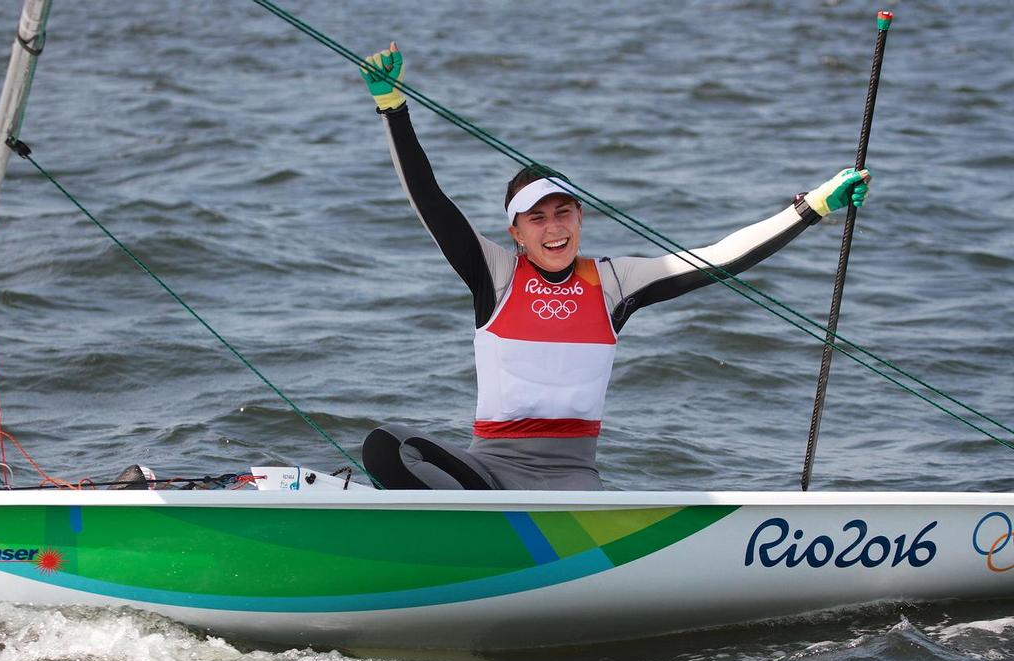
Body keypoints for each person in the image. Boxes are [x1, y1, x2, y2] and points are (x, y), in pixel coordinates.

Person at [358, 43, 871, 491]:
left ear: (580, 218)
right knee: (384, 446)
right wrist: (392, 107)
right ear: (516, 233)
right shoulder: (496, 273)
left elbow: (718, 259)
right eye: (536, 217)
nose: (553, 227)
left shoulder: (612, 283)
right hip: (487, 471)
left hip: (571, 484)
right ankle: (463, 532)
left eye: (564, 212)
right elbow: (429, 199)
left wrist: (810, 209)